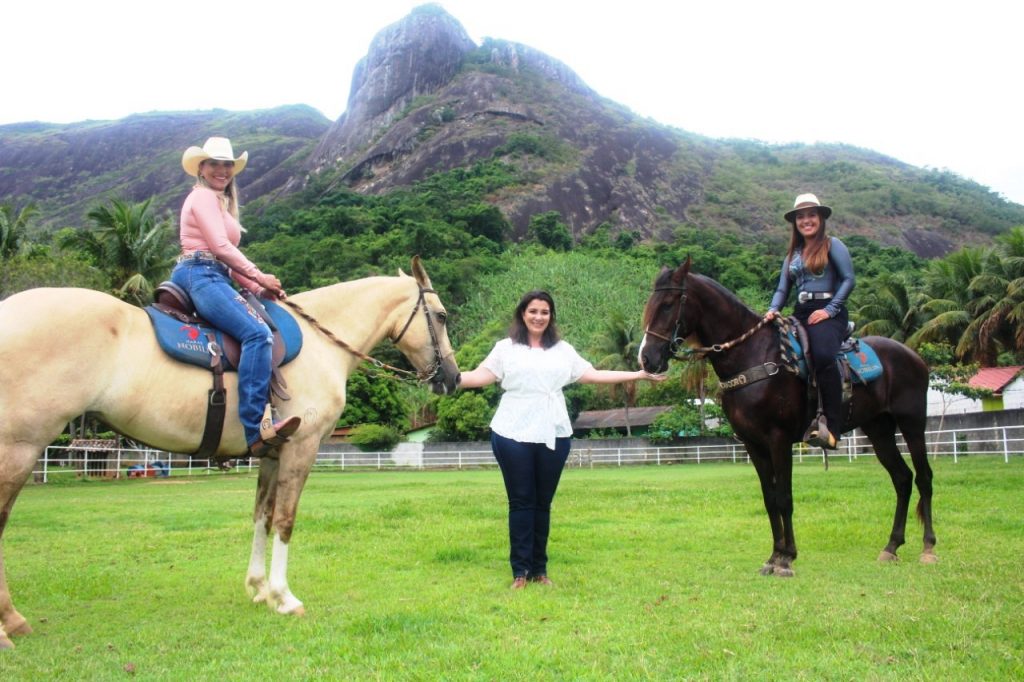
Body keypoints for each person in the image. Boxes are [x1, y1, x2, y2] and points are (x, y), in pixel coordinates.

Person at [458, 290, 665, 589]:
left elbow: (592, 374)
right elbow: (480, 375)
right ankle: (520, 572)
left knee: (543, 503)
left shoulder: (563, 350)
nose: (538, 317)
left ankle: (539, 570)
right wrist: (448, 377)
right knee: (521, 502)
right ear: (522, 314)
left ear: (551, 316)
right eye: (533, 311)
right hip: (512, 430)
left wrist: (638, 375)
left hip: (553, 431)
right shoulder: (505, 348)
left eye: (544, 312)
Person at [171, 137, 299, 457]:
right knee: (257, 334)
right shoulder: (201, 197)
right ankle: (256, 428)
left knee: (259, 325)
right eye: (214, 163)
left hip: (215, 275)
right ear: (201, 167)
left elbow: (228, 259)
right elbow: (219, 248)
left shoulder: (219, 202)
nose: (222, 170)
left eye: (227, 164)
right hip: (199, 273)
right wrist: (259, 275)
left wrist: (259, 289)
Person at [764, 193, 855, 449]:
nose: (806, 220)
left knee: (823, 355)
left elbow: (849, 279)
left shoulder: (832, 244)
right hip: (800, 312)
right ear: (795, 222)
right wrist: (773, 309)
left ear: (820, 218)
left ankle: (832, 427)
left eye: (811, 215)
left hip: (829, 311)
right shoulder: (792, 255)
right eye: (801, 217)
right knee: (773, 353)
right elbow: (782, 289)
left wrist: (830, 309)